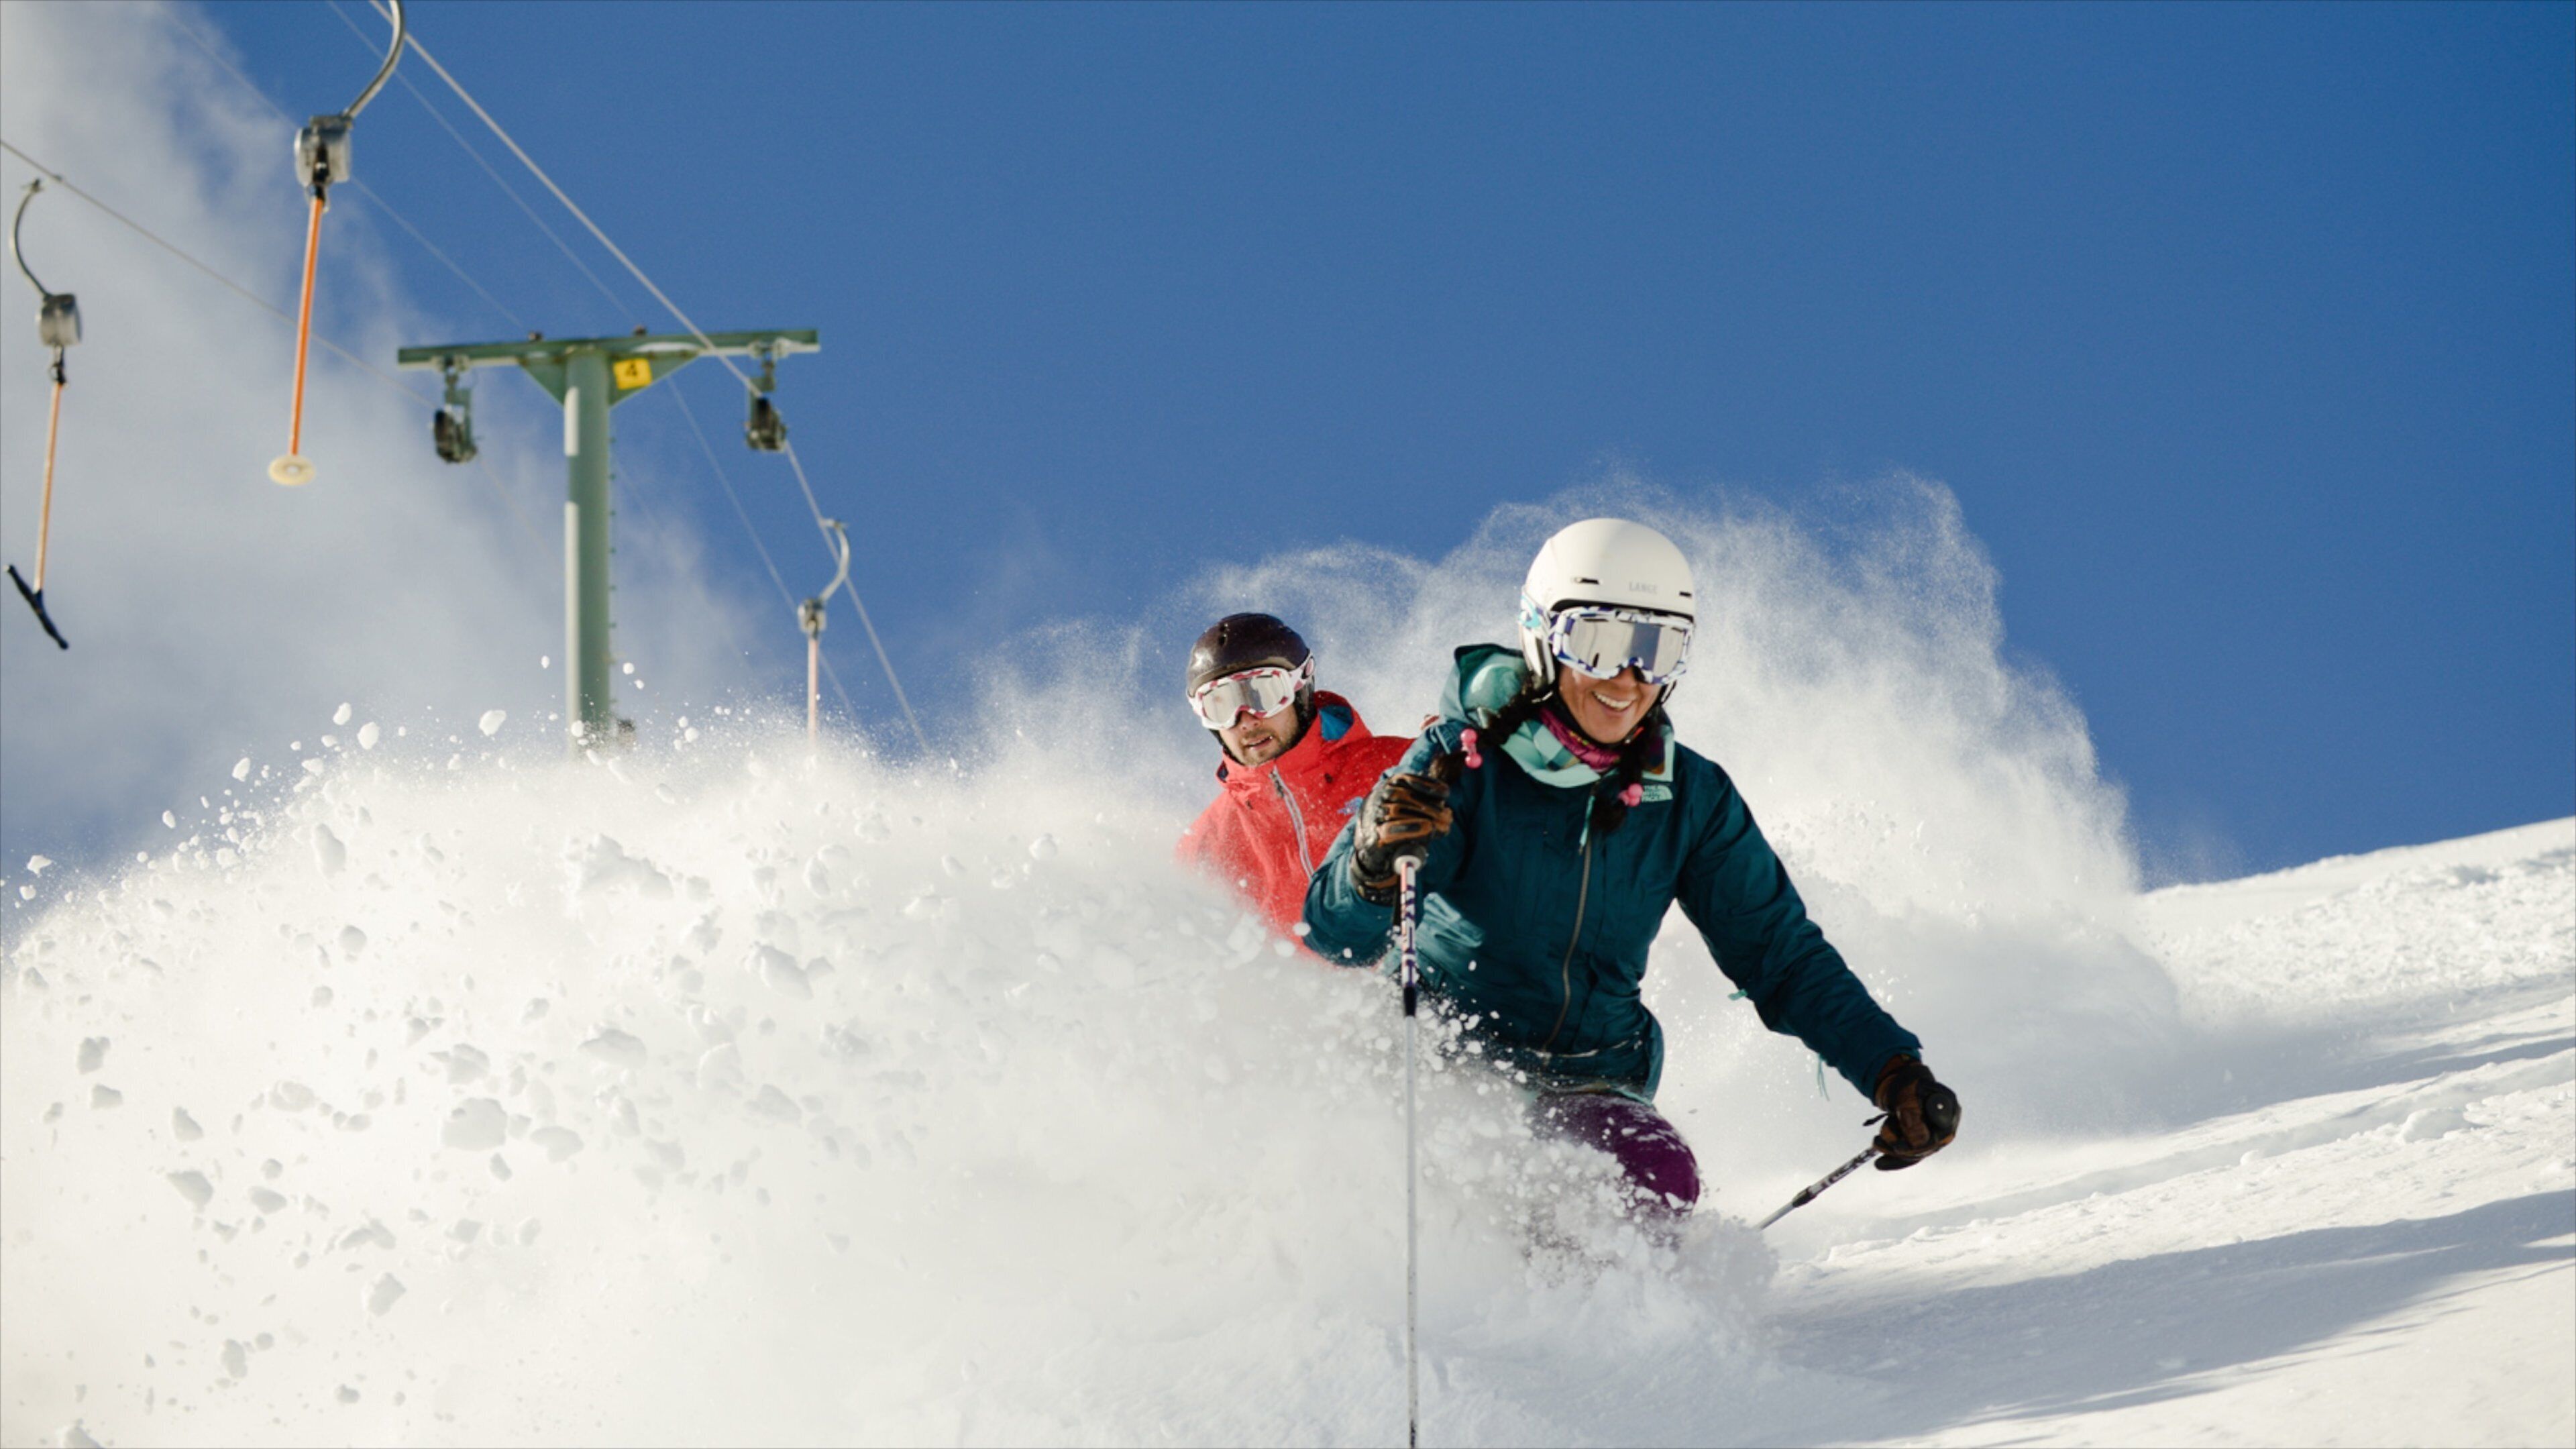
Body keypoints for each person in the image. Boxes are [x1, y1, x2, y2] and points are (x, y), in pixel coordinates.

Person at [1303, 519, 1959, 1230]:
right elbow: (1338, 936)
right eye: (1598, 642)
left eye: (1657, 648)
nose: (1627, 677)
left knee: (1650, 1180)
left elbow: (1779, 954)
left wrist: (1891, 1069)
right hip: (1437, 1052)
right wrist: (1372, 864)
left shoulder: (1686, 797)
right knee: (1441, 1185)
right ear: (1542, 637)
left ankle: (1599, 1331)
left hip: (1590, 1071)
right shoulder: (1460, 765)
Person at [1177, 612, 1414, 943]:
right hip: (1298, 993)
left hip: (1427, 981)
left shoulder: (1404, 767)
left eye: (1261, 693)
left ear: (1301, 684)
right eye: (1221, 705)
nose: (1245, 721)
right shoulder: (1207, 846)